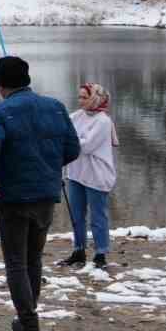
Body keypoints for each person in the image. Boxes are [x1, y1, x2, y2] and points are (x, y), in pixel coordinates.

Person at [0, 56, 81, 331]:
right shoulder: (56, 107)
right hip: (46, 194)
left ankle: (29, 326)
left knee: (16, 263)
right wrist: (48, 167)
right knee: (33, 259)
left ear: (0, 84)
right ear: (27, 80)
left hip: (11, 197)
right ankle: (28, 320)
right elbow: (73, 148)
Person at [61, 82, 118, 269]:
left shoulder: (103, 121)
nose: (81, 101)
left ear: (96, 98)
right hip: (76, 173)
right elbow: (63, 132)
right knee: (76, 215)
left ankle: (100, 253)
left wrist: (70, 140)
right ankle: (78, 250)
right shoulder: (76, 116)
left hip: (97, 175)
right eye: (79, 97)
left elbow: (87, 145)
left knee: (98, 216)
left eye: (85, 97)